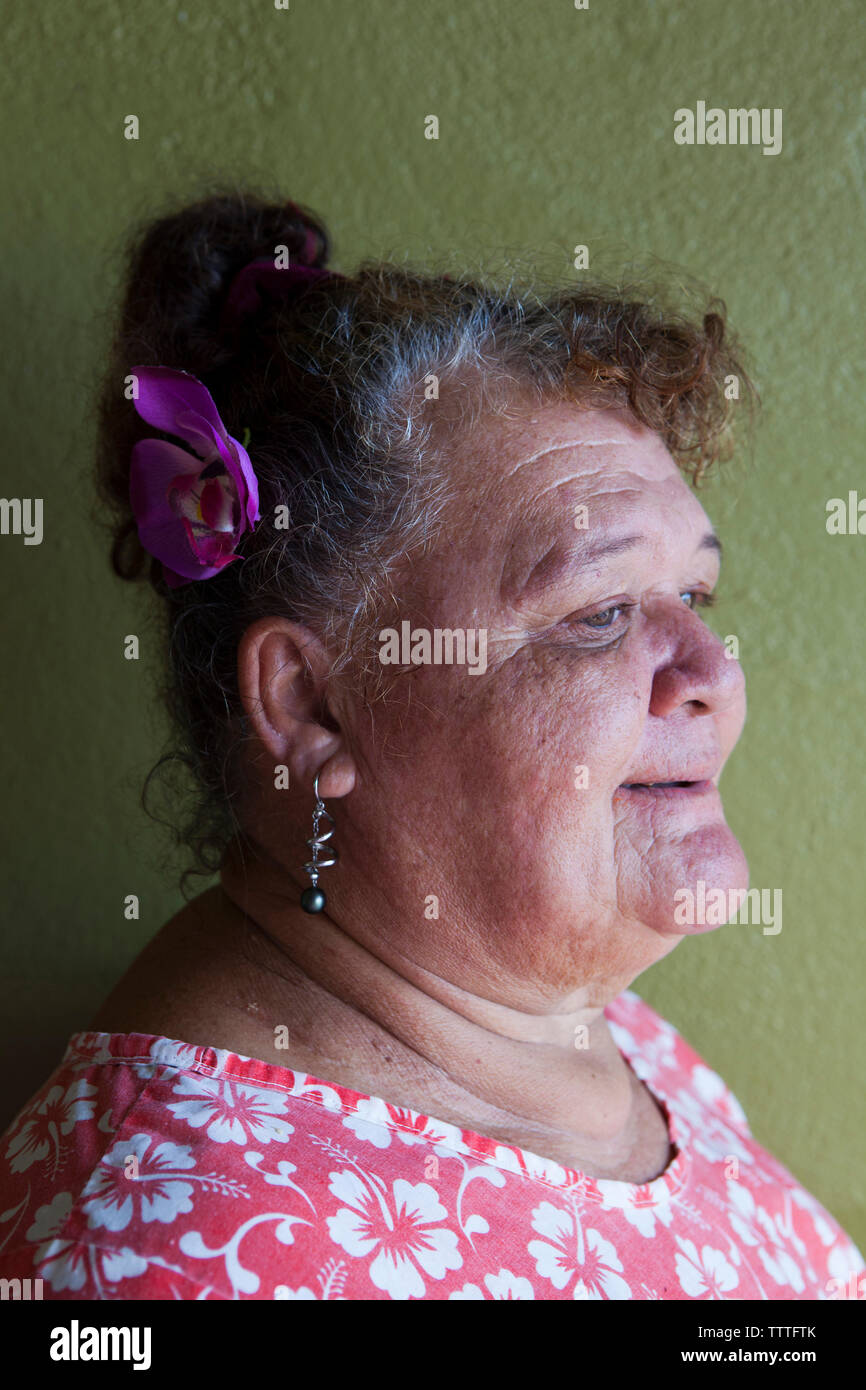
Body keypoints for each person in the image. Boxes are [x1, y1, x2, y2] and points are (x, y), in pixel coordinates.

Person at [0, 192, 861, 1301]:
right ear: (310, 707)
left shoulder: (570, 1020)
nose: (712, 673)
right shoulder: (157, 1260)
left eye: (693, 590)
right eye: (597, 612)